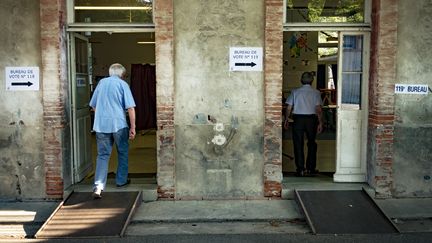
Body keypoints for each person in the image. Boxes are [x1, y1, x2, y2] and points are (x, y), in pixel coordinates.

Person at [90, 63, 136, 199]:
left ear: (110, 73)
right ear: (122, 74)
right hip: (119, 124)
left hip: (101, 125)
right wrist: (133, 127)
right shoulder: (123, 85)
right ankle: (121, 181)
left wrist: (102, 115)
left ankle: (98, 186)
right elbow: (130, 108)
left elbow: (93, 106)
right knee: (122, 152)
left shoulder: (101, 83)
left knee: (103, 155)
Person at [284, 72, 323, 177]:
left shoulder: (295, 92)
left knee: (298, 144)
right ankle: (310, 168)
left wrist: (286, 119)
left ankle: (300, 169)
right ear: (312, 81)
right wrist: (320, 122)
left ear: (301, 80)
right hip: (311, 120)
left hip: (298, 120)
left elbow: (289, 107)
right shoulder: (316, 93)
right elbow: (318, 109)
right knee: (311, 143)